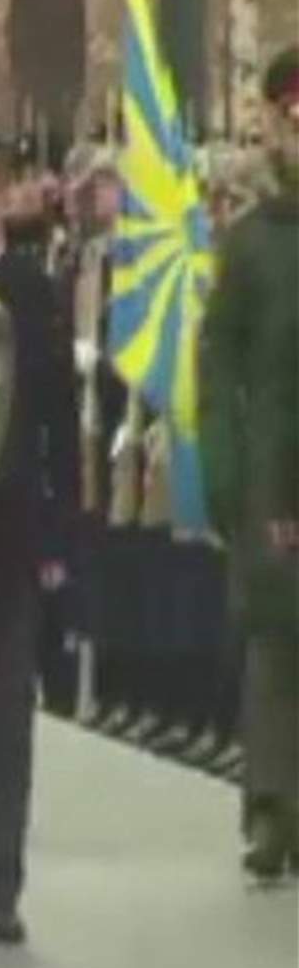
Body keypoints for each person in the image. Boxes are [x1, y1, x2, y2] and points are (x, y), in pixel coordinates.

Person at [0, 133, 71, 944]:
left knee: (6, 709)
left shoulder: (29, 289)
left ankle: (2, 880)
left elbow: (58, 416)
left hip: (8, 532)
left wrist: (59, 531)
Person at [201, 45, 299, 885]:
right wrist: (228, 472)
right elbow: (218, 363)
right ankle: (272, 806)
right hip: (275, 471)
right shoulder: (254, 244)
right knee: (277, 639)